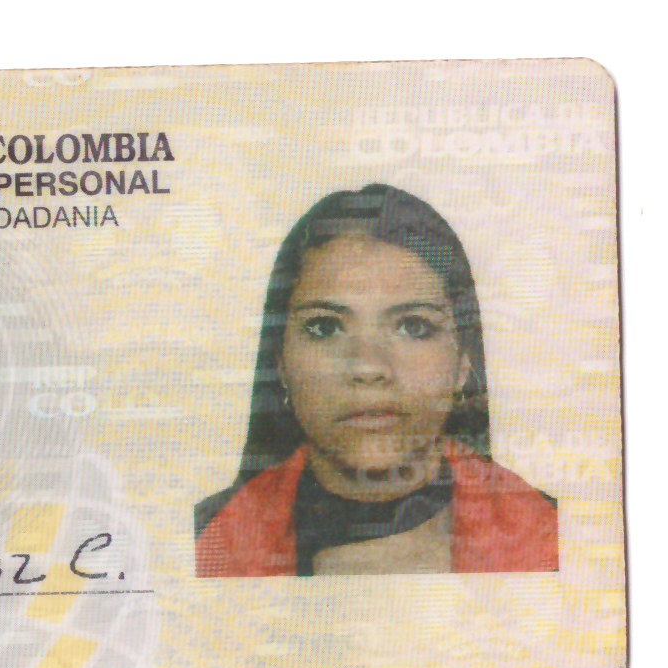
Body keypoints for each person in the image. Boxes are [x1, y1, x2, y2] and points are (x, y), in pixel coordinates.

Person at [195, 183, 557, 577]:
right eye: (324, 327)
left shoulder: (561, 539)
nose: (368, 367)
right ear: (279, 361)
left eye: (414, 326)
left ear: (463, 363)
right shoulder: (199, 543)